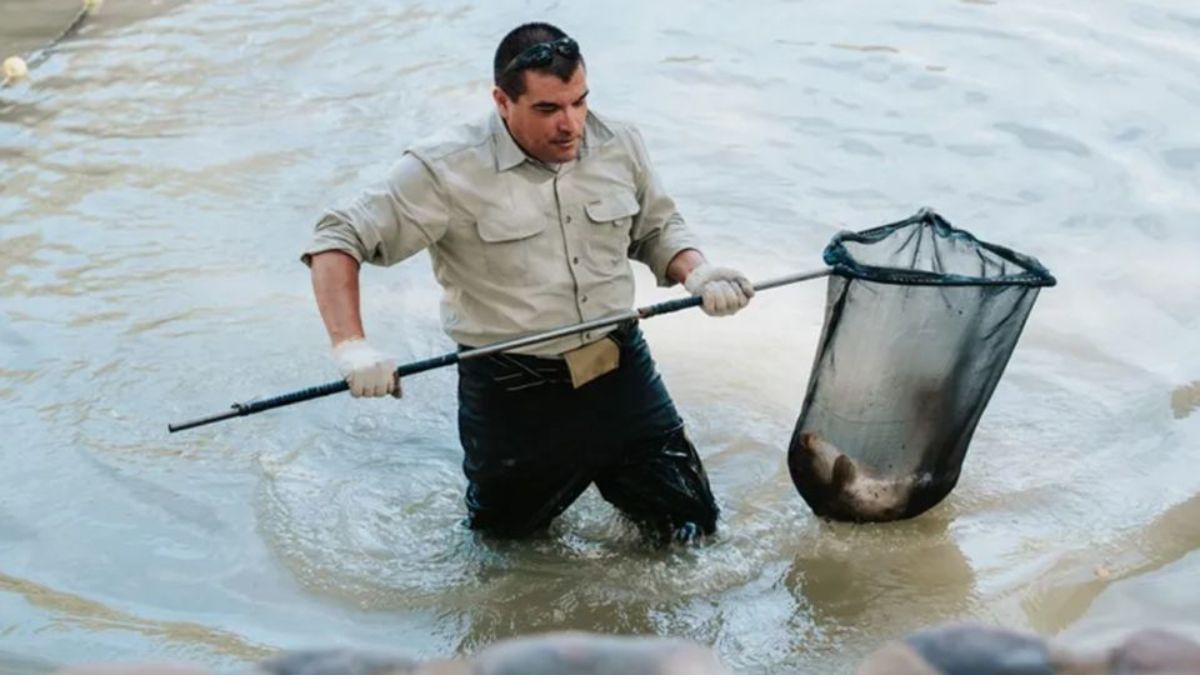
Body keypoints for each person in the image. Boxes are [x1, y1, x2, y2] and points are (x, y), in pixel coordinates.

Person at [301, 22, 754, 543]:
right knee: (507, 555)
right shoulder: (444, 168)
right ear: (502, 101)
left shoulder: (619, 142)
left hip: (621, 368)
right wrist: (352, 347)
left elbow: (656, 228)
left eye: (579, 102)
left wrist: (697, 271)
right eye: (547, 109)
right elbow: (336, 238)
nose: (571, 124)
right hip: (511, 391)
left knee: (693, 535)